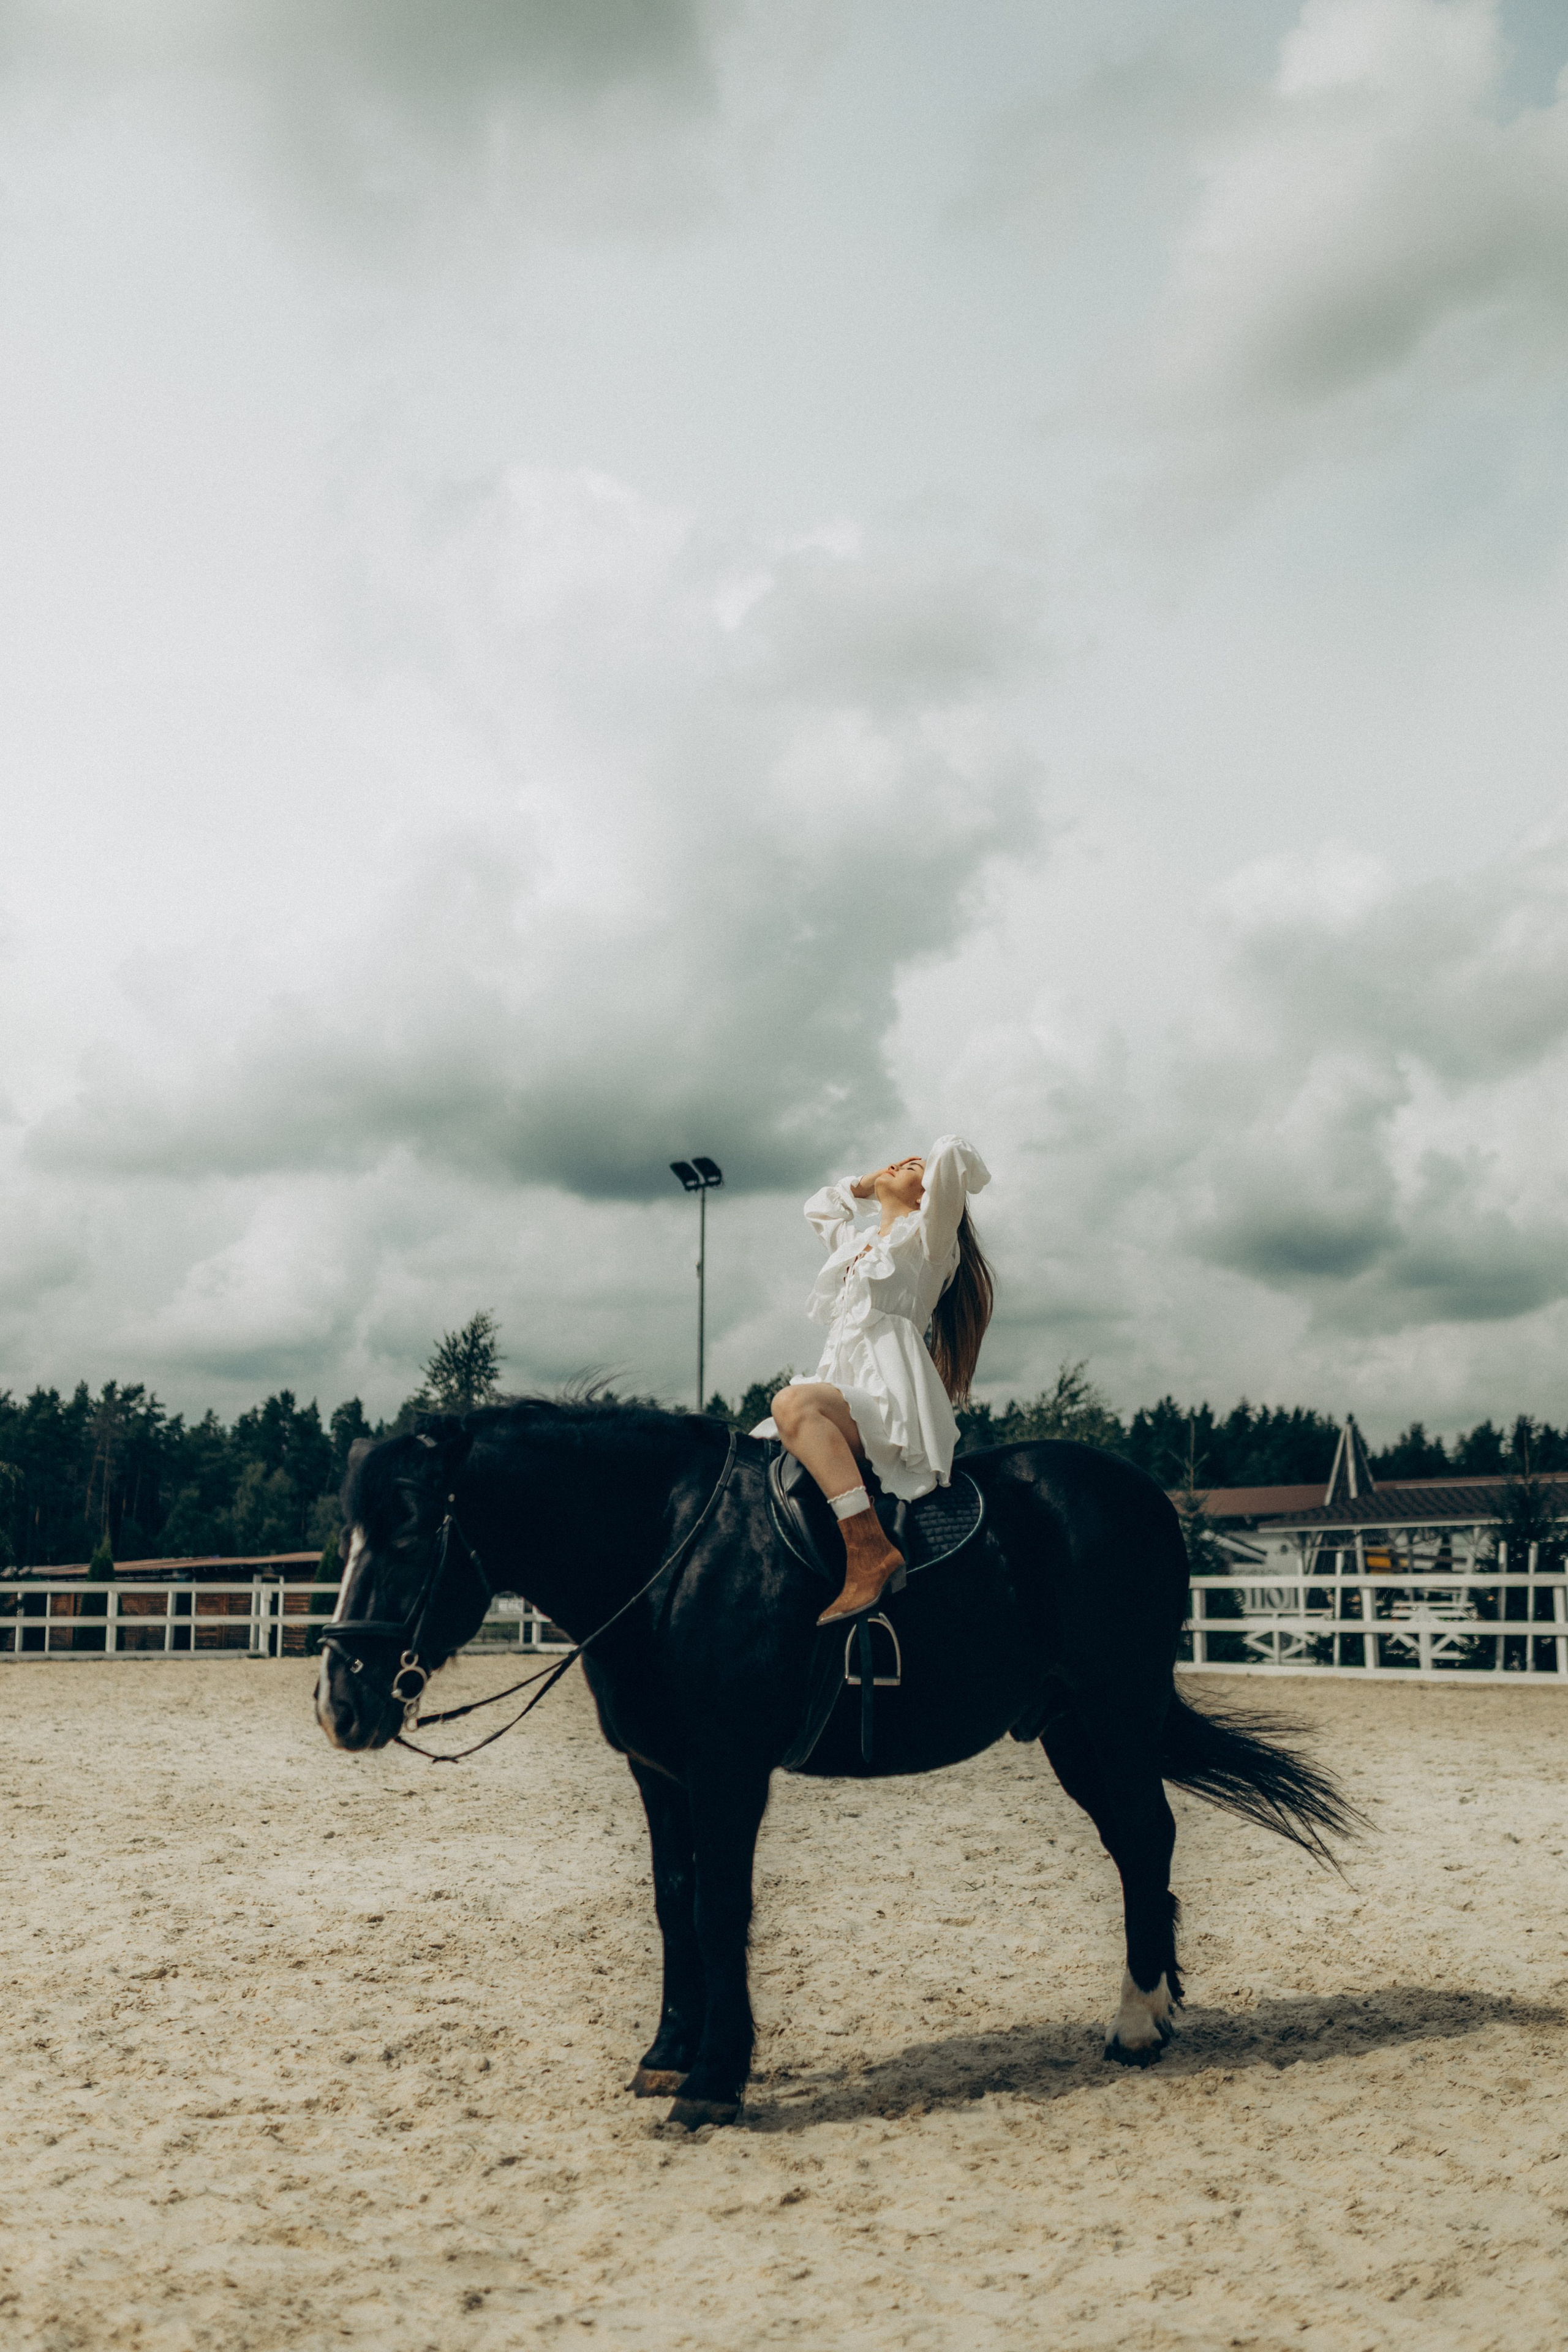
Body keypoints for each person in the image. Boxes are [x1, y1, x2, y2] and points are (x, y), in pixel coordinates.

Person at [751, 1135, 993, 1626]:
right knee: (754, 1449)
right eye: (898, 1161)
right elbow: (820, 1206)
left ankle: (869, 1551)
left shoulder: (930, 1241)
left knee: (794, 1405)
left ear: (930, 1191)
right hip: (841, 1392)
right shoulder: (858, 1246)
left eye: (914, 1166)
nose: (901, 1162)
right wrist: (866, 1185)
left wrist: (924, 1170)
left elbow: (952, 1154)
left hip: (887, 1403)